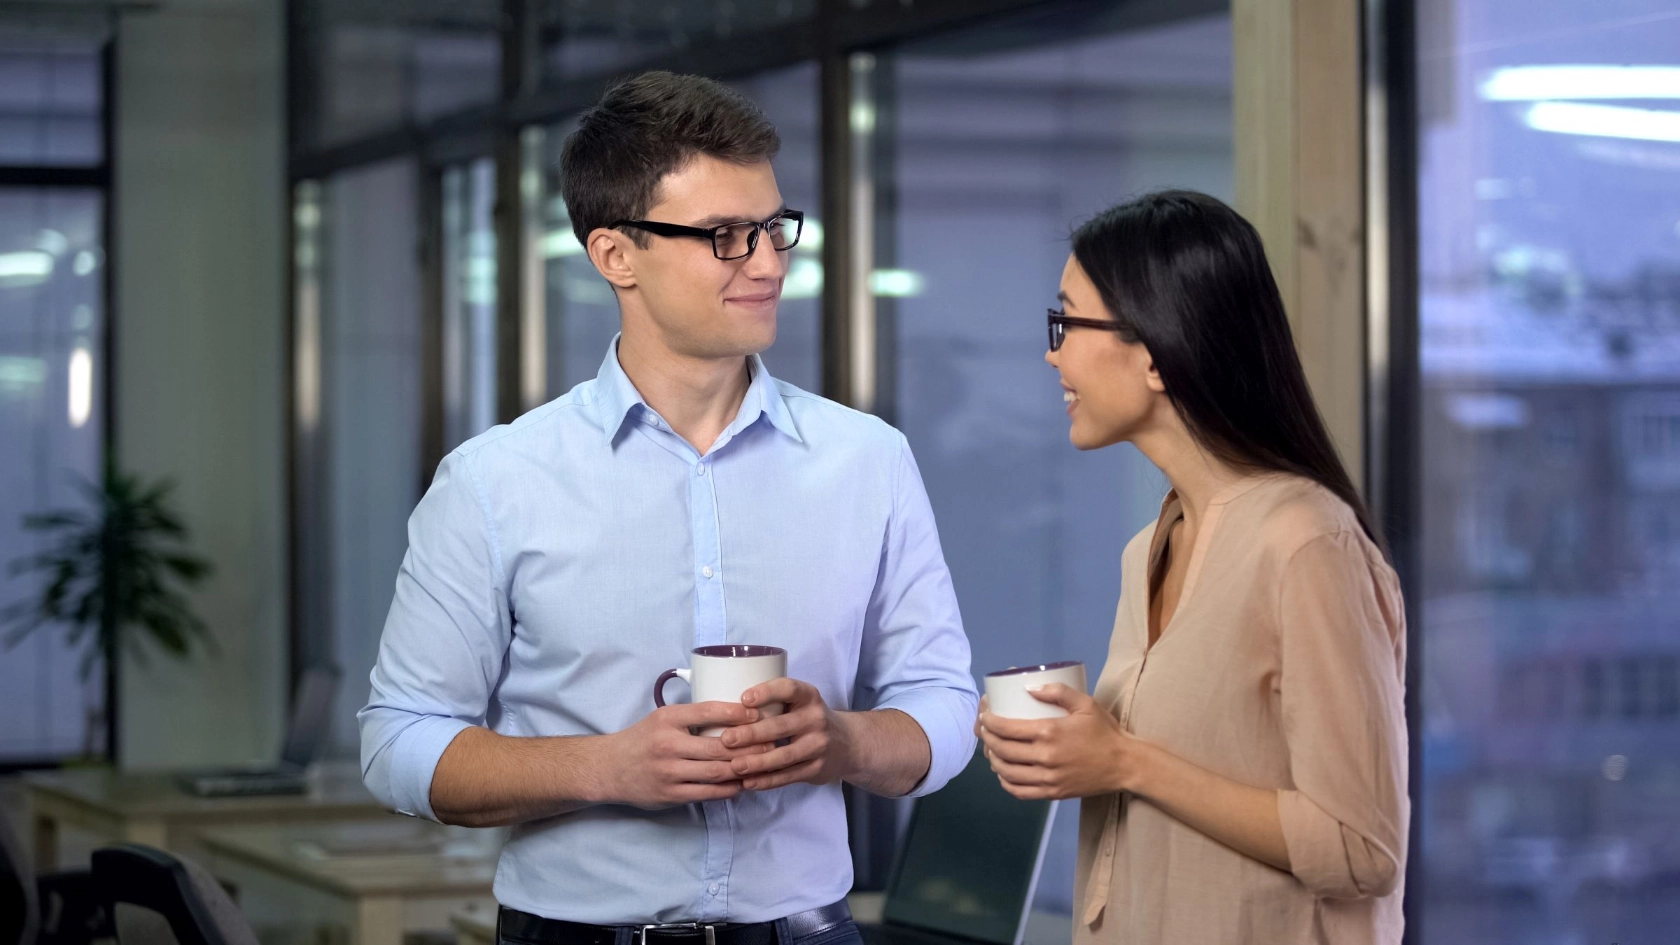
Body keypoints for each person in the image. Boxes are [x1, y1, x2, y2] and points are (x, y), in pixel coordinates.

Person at [359, 71, 978, 945]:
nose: (767, 261)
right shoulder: (496, 481)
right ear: (616, 255)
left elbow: (943, 704)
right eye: (725, 235)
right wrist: (608, 766)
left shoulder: (867, 460)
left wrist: (840, 742)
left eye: (772, 228)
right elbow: (398, 742)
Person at [977, 190, 1407, 944]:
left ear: (1153, 353)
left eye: (1067, 322)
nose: (1053, 353)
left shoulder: (1306, 542)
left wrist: (1126, 762)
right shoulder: (1147, 546)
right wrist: (1064, 752)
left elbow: (1360, 848)